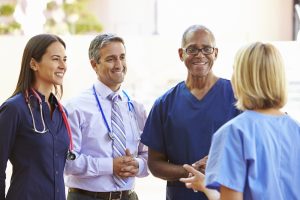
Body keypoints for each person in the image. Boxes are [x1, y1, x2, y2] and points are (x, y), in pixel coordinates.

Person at [180, 42, 300, 200]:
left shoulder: (234, 132)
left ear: (242, 78)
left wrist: (205, 187)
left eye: (235, 69)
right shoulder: (294, 128)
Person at [140, 24, 240, 200]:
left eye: (206, 49)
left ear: (215, 53)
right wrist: (190, 171)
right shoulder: (164, 104)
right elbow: (154, 164)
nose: (200, 55)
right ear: (181, 54)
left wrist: (217, 166)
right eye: (192, 49)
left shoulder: (237, 97)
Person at [64, 33, 148, 200]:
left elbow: (148, 156)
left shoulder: (137, 108)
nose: (119, 65)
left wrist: (137, 165)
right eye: (111, 59)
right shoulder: (76, 107)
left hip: (128, 196)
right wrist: (110, 166)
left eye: (122, 57)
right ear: (94, 64)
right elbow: (68, 162)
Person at [0, 34, 71, 200]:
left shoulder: (62, 113)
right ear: (33, 64)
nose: (63, 66)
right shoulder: (14, 109)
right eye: (55, 59)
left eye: (65, 59)